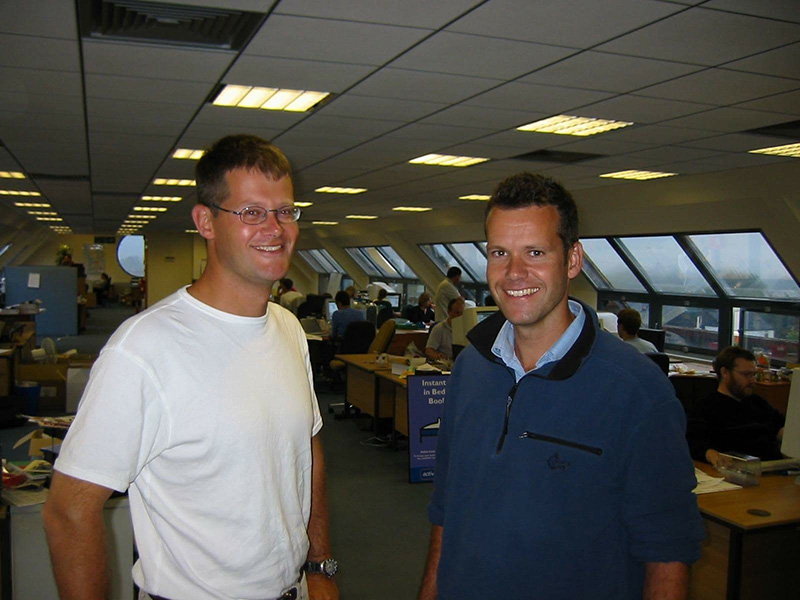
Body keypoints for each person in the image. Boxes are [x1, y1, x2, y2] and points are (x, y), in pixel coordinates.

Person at [43, 135, 339, 600]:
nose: (275, 228)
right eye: (251, 212)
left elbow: (307, 447)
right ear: (206, 222)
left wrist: (319, 565)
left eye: (285, 211)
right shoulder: (144, 349)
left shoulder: (288, 330)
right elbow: (69, 510)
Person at [418, 172, 703, 600]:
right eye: (500, 253)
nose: (514, 273)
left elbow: (667, 549)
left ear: (572, 260)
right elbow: (447, 508)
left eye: (535, 252)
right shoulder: (470, 368)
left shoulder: (637, 390)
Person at [687, 346, 785, 466]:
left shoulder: (758, 402)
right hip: (738, 471)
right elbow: (694, 443)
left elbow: (781, 427)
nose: (752, 380)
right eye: (746, 375)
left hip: (774, 468)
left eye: (753, 374)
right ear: (725, 372)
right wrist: (711, 454)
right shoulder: (706, 407)